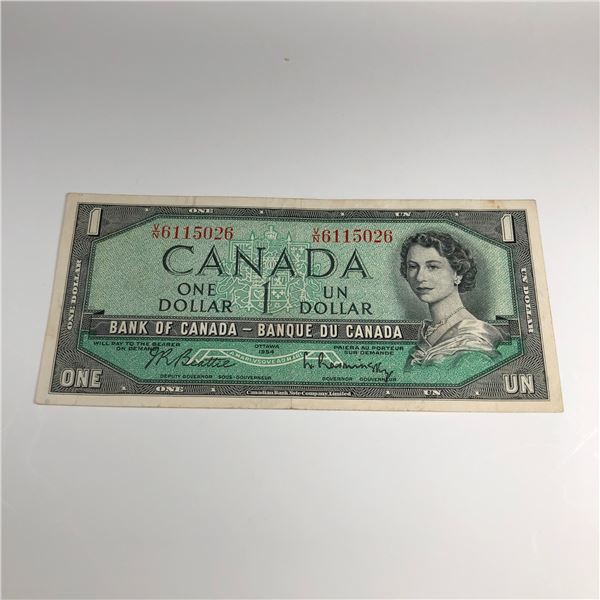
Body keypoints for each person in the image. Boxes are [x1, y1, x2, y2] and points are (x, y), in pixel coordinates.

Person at [400, 231, 505, 368]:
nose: (420, 277)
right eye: (413, 267)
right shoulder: (427, 331)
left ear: (458, 274)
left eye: (432, 267)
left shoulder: (473, 343)